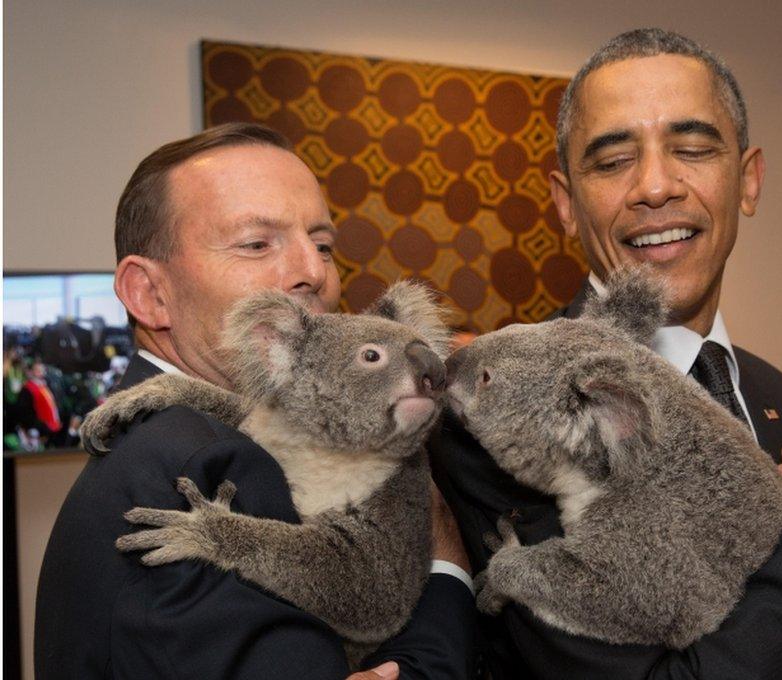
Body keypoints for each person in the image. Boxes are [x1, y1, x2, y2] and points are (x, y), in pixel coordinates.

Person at [429, 28, 782, 679]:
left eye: (694, 148)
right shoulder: (499, 411)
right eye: (613, 161)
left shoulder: (777, 394)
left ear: (748, 181)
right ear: (567, 204)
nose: (655, 186)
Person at [35, 123, 476, 680]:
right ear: (149, 294)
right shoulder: (212, 463)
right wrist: (445, 567)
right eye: (255, 244)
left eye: (322, 246)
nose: (312, 272)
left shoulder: (158, 431)